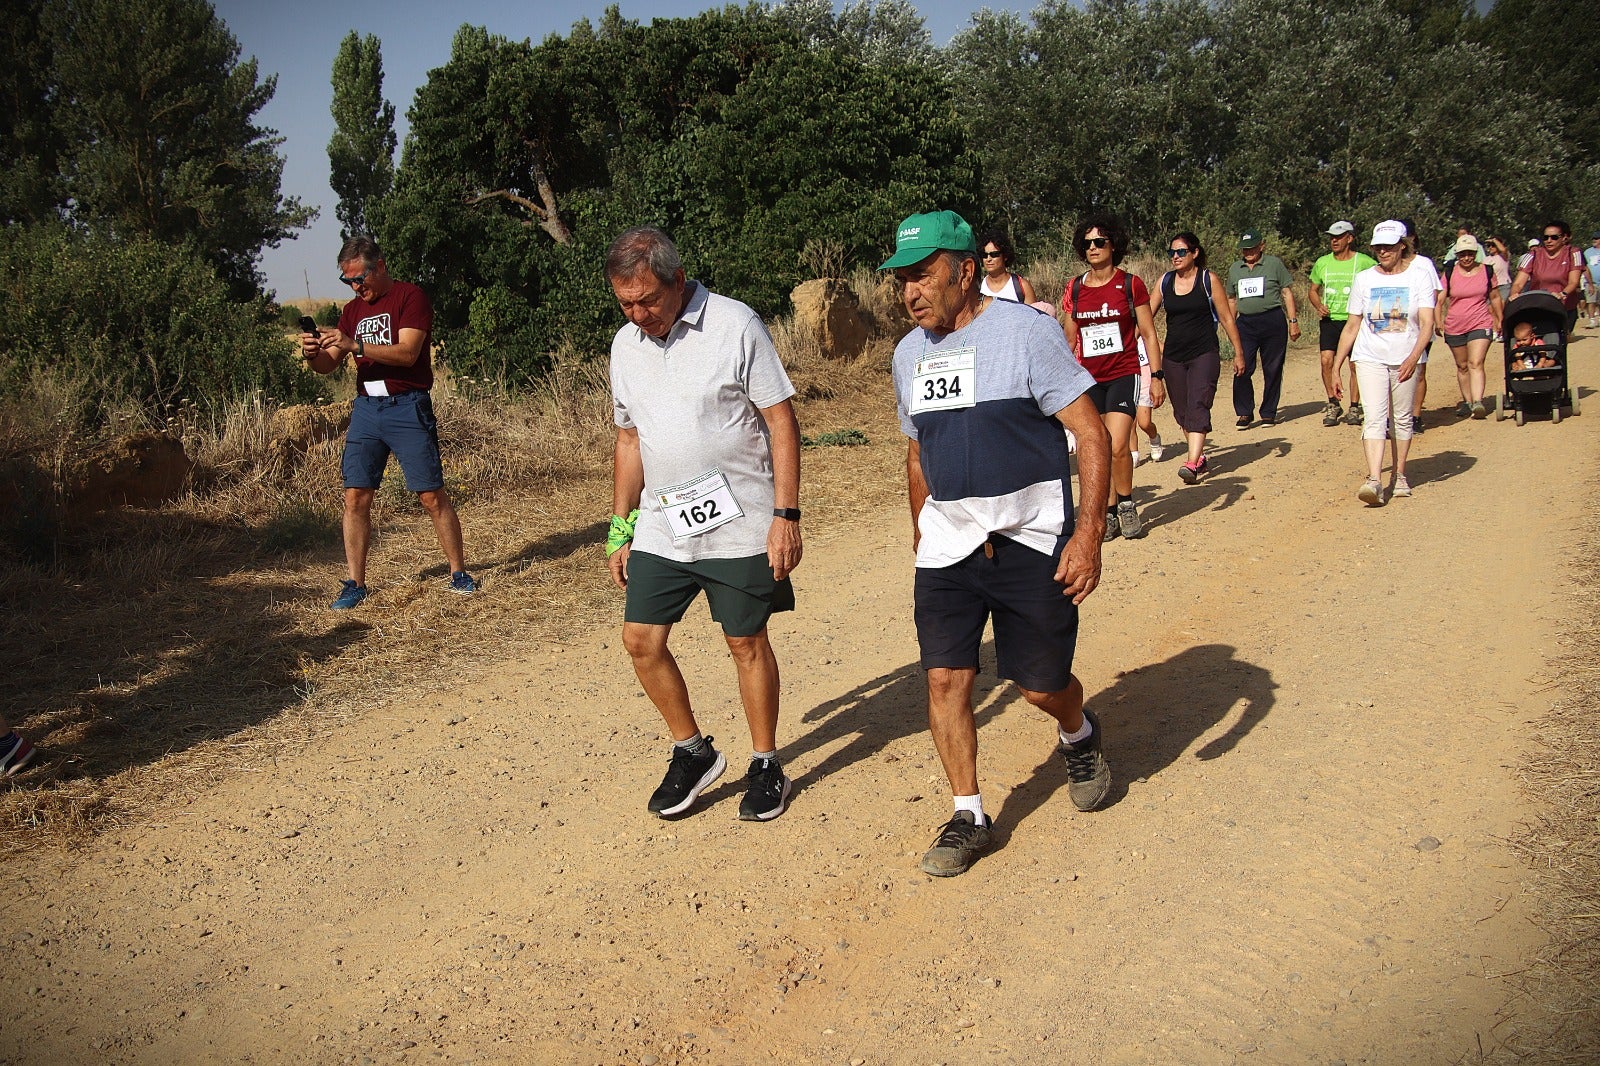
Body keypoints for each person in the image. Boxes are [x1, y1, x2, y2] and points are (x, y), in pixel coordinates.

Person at [881, 209, 1112, 877]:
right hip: (949, 544)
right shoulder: (908, 354)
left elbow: (1090, 433)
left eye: (922, 275)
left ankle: (1079, 732)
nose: (911, 291)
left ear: (965, 271)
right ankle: (968, 813)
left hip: (1029, 537)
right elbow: (917, 451)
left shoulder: (1027, 333)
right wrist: (921, 529)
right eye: (902, 279)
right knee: (945, 678)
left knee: (1041, 686)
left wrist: (1088, 534)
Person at [604, 226, 803, 823]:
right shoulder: (625, 345)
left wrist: (785, 515)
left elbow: (781, 420)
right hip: (663, 522)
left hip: (740, 518)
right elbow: (629, 439)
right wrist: (620, 527)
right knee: (640, 640)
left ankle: (765, 762)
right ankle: (692, 751)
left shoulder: (735, 324)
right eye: (625, 304)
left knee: (745, 641)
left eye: (647, 300)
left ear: (678, 280)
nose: (638, 315)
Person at [301, 237, 477, 610]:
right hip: (367, 408)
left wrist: (356, 346)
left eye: (359, 278)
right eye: (347, 280)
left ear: (379, 266)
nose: (355, 287)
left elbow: (408, 352)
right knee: (355, 496)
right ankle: (355, 583)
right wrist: (312, 353)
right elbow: (327, 364)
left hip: (407, 405)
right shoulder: (351, 311)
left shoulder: (410, 297)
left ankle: (459, 572)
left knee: (431, 495)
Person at [1060, 212, 1165, 539]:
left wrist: (1157, 376)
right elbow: (1068, 339)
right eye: (1087, 243)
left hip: (1123, 373)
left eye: (1099, 242)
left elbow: (1149, 332)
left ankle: (1126, 503)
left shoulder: (1130, 284)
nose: (1093, 248)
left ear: (1113, 245)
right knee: (1099, 445)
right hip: (1088, 379)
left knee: (1118, 444)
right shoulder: (1076, 288)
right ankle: (1107, 511)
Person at [1335, 220, 1436, 505]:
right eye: (1378, 246)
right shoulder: (1364, 279)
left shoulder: (1419, 276)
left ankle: (1399, 475)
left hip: (1406, 357)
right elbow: (1353, 325)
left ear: (1402, 246)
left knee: (1401, 418)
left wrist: (1414, 357)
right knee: (1374, 418)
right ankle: (1374, 480)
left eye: (1389, 246)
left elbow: (1427, 323)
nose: (1383, 251)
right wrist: (1337, 365)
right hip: (1370, 356)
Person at [1149, 231, 1246, 483]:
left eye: (1181, 252)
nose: (1175, 256)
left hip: (1204, 353)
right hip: (1173, 357)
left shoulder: (1207, 279)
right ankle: (1199, 456)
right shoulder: (1164, 282)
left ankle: (1191, 464)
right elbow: (1145, 318)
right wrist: (1135, 342)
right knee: (1182, 412)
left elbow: (1226, 318)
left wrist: (1238, 352)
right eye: (1172, 252)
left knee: (1198, 404)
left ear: (1194, 253)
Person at [1225, 230, 1299, 429]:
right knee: (1242, 367)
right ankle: (1244, 411)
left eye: (1252, 248)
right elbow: (1231, 299)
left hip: (1272, 320)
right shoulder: (1235, 269)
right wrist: (1230, 325)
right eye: (1245, 249)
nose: (1248, 252)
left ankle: (1268, 412)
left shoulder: (1274, 264)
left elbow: (1286, 293)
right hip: (1245, 323)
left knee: (1273, 368)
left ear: (1261, 246)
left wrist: (1293, 321)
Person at [1309, 221, 1376, 427]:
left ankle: (1354, 406)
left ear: (1350, 238)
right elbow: (1313, 290)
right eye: (1332, 237)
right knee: (1326, 361)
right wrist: (1318, 305)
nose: (1334, 241)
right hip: (1330, 320)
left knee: (1354, 364)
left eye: (1339, 237)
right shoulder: (1323, 262)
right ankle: (1333, 402)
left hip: (1354, 321)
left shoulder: (1364, 262)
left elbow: (1378, 282)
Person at [1436, 234, 1504, 419]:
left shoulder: (1486, 271)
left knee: (1476, 362)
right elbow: (1439, 299)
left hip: (1480, 322)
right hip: (1455, 325)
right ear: (1457, 254)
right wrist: (1437, 320)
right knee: (1462, 366)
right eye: (1462, 254)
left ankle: (1478, 401)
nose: (1466, 258)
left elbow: (1495, 297)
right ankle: (1468, 402)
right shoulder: (1450, 272)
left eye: (1470, 253)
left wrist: (1500, 319)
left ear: (1476, 253)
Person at [1400, 220, 1442, 434]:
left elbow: (1434, 293)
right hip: (1394, 328)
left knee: (1418, 371)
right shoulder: (1384, 266)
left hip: (1418, 327)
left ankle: (1415, 416)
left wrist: (1425, 317)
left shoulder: (1423, 264)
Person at [1511, 220, 1583, 333]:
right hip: (1539, 306)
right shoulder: (1533, 255)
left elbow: (1573, 282)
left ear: (1564, 238)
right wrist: (1514, 294)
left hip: (1565, 307)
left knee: (1560, 339)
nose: (1549, 241)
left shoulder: (1573, 253)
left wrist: (1562, 294)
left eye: (1554, 237)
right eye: (1545, 238)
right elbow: (1518, 283)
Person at [976, 228, 1037, 304]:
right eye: (984, 255)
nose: (988, 259)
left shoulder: (1023, 287)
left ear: (1005, 256)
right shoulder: (978, 288)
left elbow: (1032, 311)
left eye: (994, 254)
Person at [1582, 232, 1600, 329]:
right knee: (1591, 301)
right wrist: (1589, 283)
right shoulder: (1587, 252)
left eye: (1596, 238)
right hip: (1591, 282)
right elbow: (1584, 267)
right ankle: (1592, 320)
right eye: (1593, 238)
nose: (1594, 240)